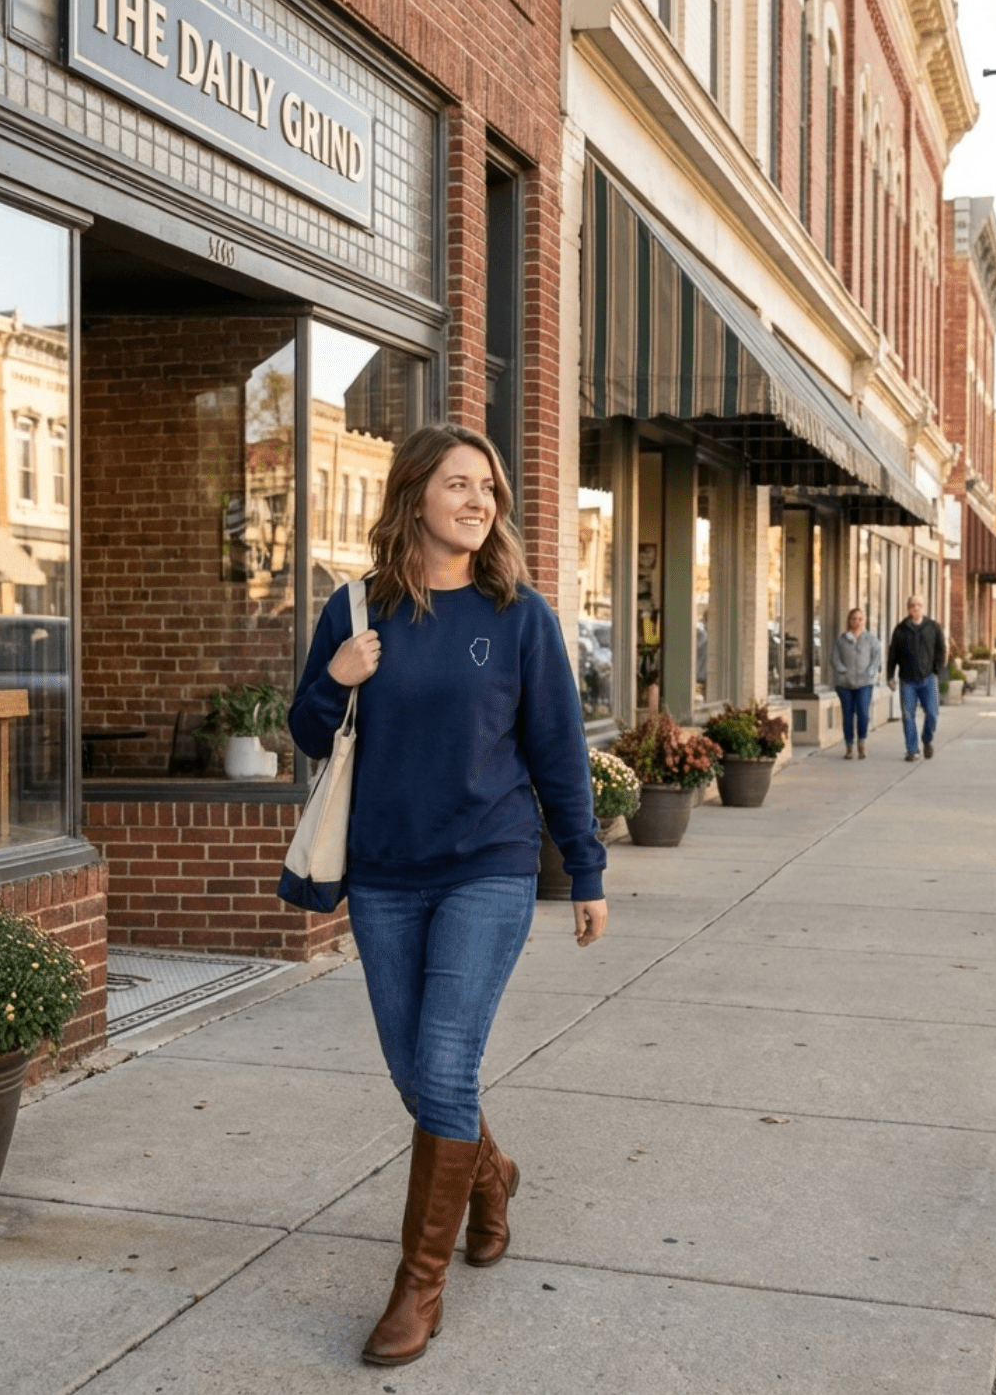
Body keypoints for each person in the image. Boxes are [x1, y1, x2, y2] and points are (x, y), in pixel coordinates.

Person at [288, 422, 608, 1368]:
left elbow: (558, 752)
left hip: (488, 865)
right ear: (416, 496)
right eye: (459, 484)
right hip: (386, 875)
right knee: (419, 1074)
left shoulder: (519, 617)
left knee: (445, 1060)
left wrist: (585, 870)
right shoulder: (356, 611)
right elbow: (307, 732)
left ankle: (416, 1288)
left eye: (488, 487)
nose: (479, 501)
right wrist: (336, 678)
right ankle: (491, 1175)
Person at [886, 594, 947, 761]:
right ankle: (912, 751)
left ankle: (927, 739)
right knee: (908, 716)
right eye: (912, 605)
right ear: (908, 608)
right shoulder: (901, 629)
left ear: (923, 607)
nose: (916, 608)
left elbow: (941, 649)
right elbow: (892, 654)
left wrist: (938, 670)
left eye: (919, 605)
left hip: (928, 678)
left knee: (932, 713)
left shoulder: (933, 627)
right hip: (907, 680)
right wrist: (890, 676)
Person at [831, 607, 880, 760]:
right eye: (854, 619)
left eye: (860, 619)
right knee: (848, 715)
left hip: (865, 683)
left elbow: (877, 657)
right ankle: (849, 747)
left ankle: (862, 743)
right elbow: (834, 658)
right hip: (845, 684)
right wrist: (842, 670)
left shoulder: (870, 639)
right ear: (849, 621)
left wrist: (871, 671)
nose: (857, 622)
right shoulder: (841, 639)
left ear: (864, 621)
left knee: (863, 713)